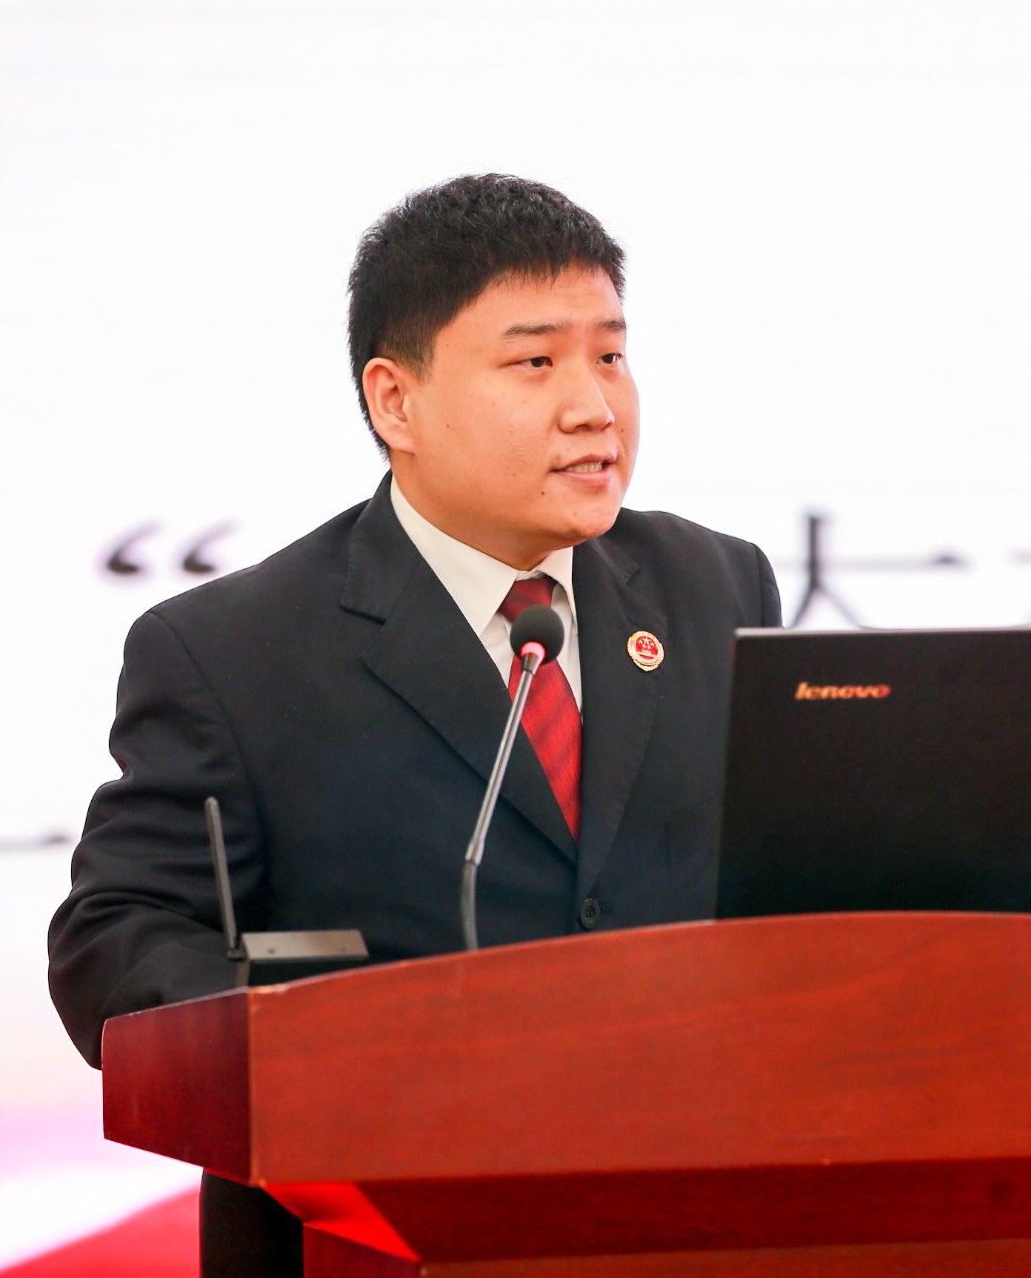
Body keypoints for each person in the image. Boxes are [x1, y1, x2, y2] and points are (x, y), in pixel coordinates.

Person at [46, 174, 782, 1276]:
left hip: (696, 1216)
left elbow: (784, 887)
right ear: (396, 401)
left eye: (611, 354)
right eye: (536, 363)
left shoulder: (715, 584)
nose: (595, 406)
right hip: (377, 1233)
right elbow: (116, 934)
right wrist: (315, 1052)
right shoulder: (232, 650)